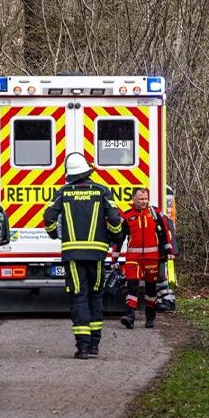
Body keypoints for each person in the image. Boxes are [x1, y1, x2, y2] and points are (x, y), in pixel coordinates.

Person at [43, 152, 124, 359]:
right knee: (96, 295)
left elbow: (49, 218)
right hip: (97, 255)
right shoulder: (102, 191)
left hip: (72, 255)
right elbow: (115, 221)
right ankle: (95, 345)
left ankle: (83, 347)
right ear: (87, 171)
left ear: (69, 174)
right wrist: (116, 237)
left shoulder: (63, 193)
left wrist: (54, 234)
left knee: (78, 297)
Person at [112, 187, 176, 329]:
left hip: (152, 258)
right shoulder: (127, 216)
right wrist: (114, 260)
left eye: (146, 199)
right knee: (132, 286)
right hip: (133, 258)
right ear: (133, 199)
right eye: (141, 199)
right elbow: (119, 240)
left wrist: (169, 250)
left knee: (151, 289)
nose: (144, 201)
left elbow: (165, 233)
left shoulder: (155, 213)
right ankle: (129, 316)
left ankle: (150, 317)